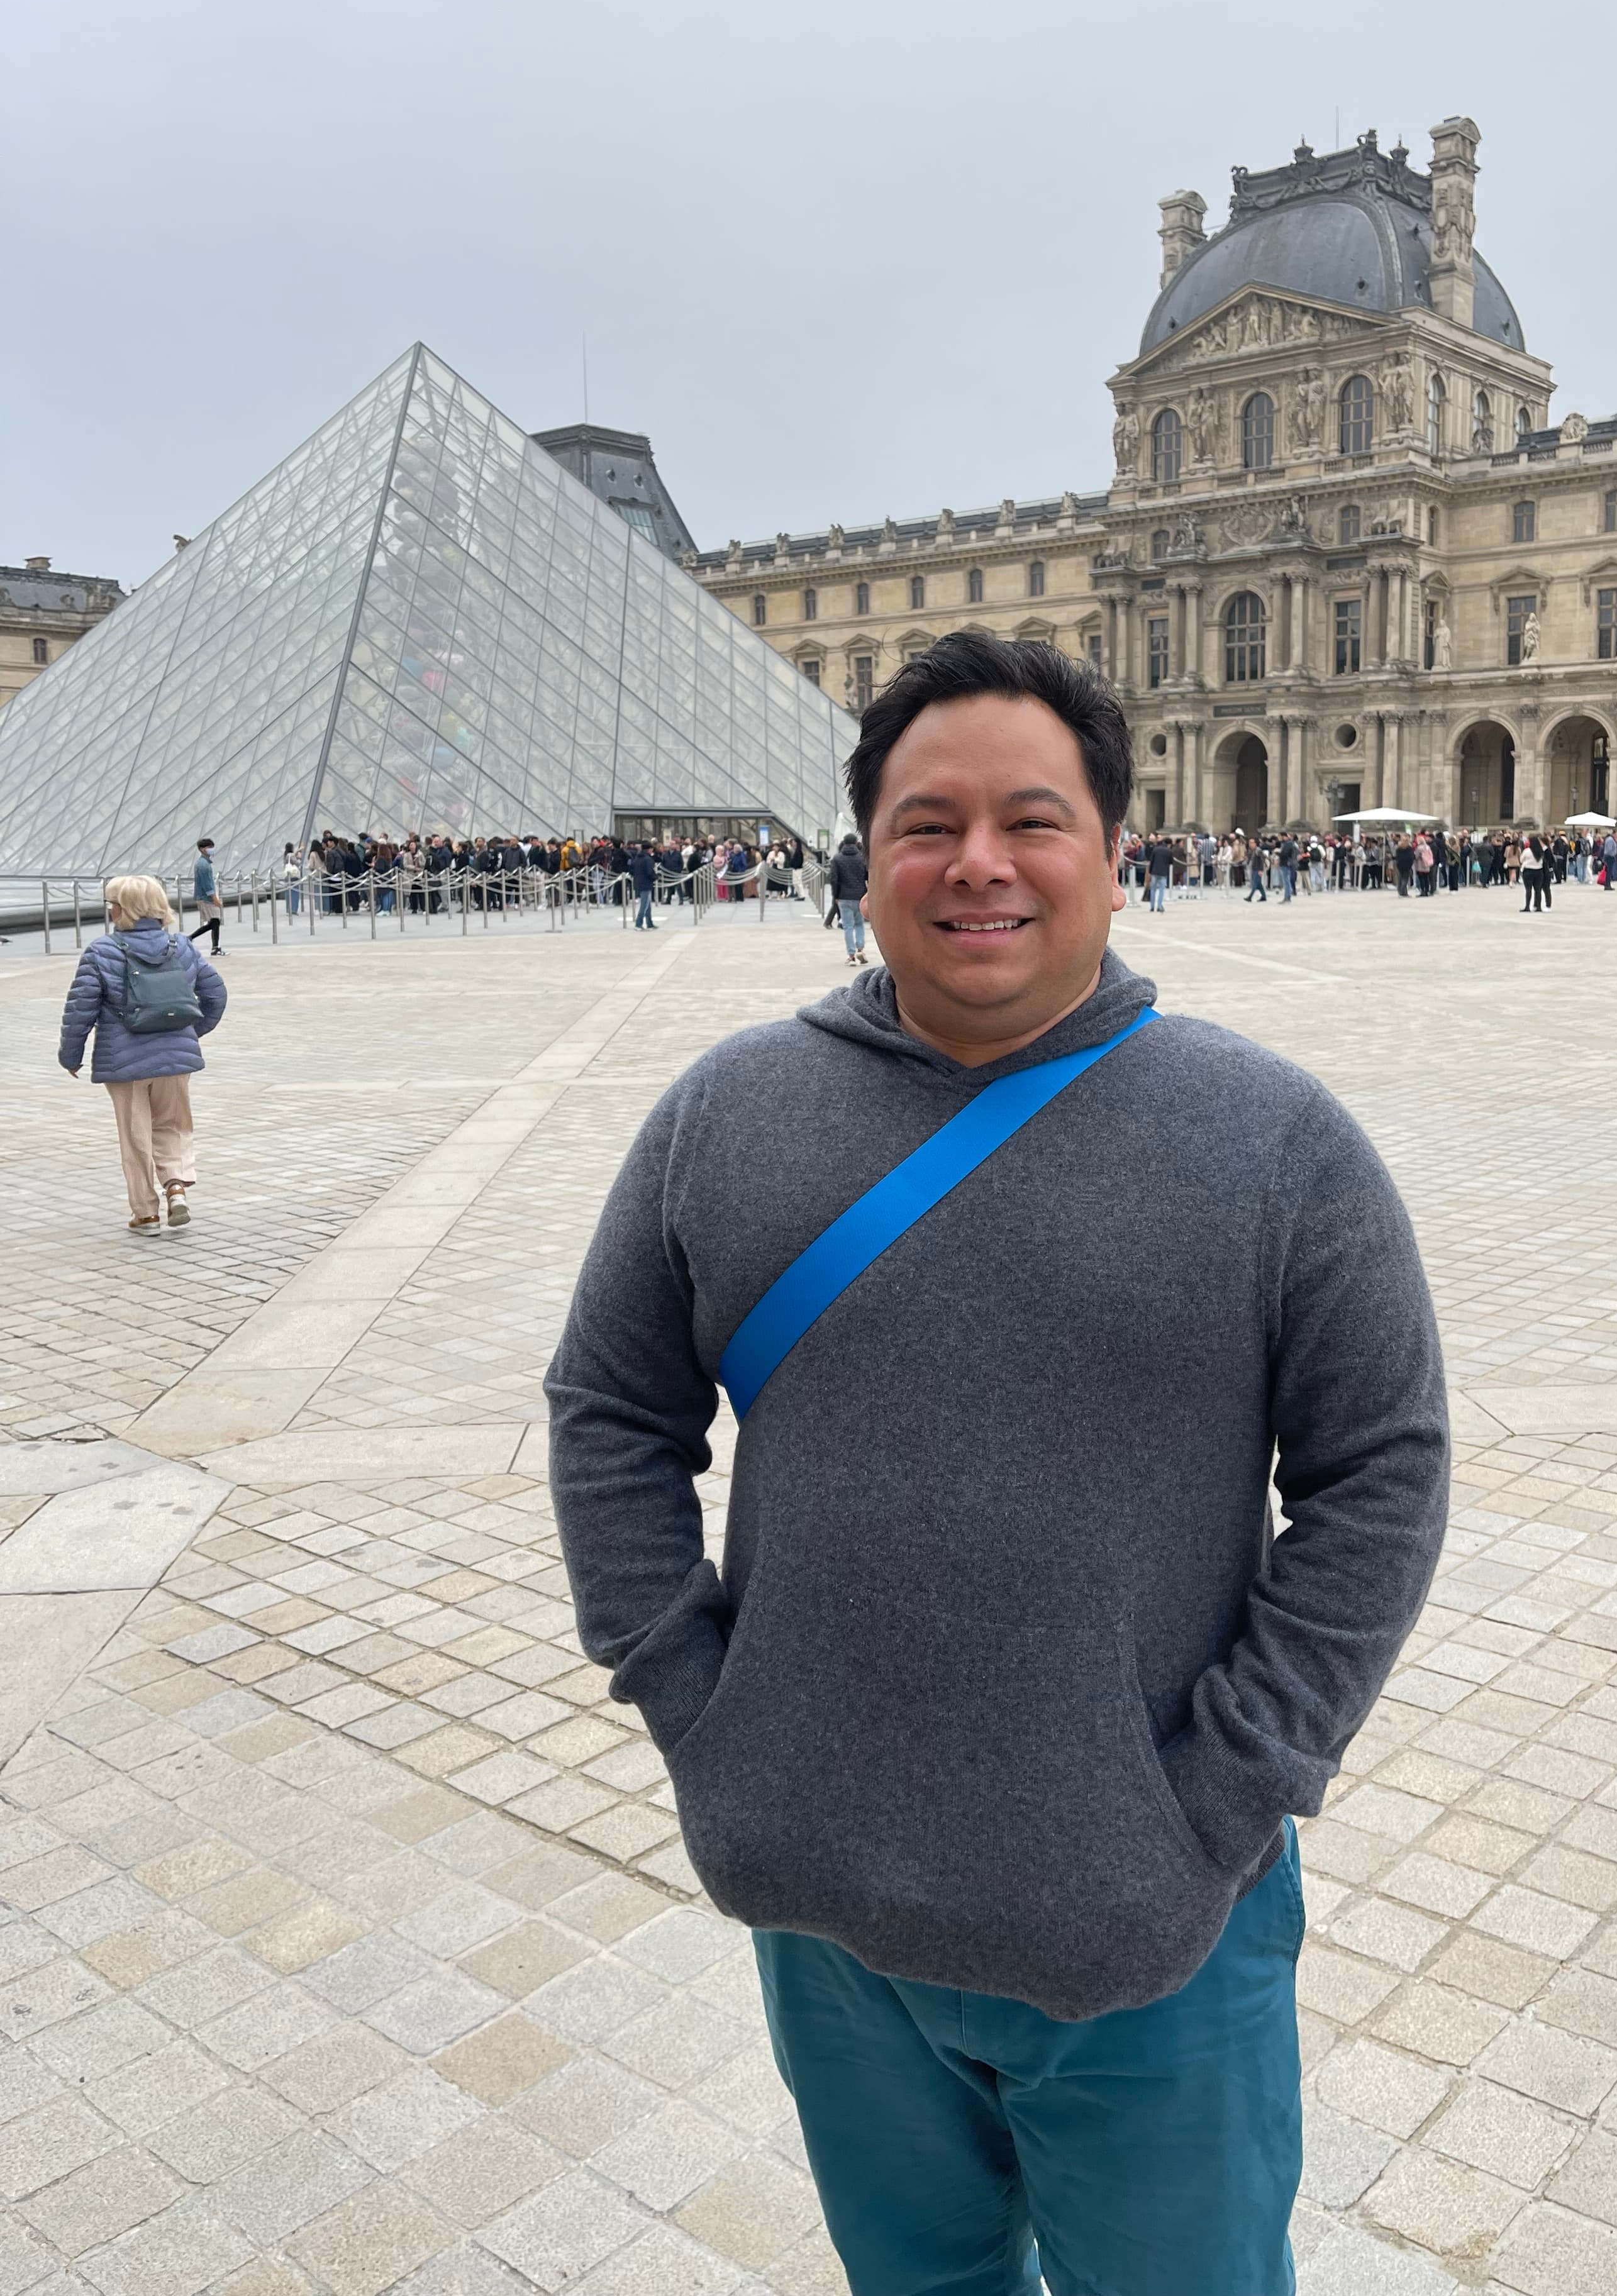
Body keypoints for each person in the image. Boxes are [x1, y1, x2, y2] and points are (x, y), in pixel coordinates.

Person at [547, 633, 1447, 2296]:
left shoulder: (1277, 1141)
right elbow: (607, 1412)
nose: (978, 863)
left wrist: (1223, 1796)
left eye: (1032, 819)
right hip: (825, 1914)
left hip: (1154, 1922)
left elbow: (1383, 1475)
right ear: (868, 857)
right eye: (925, 822)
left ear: (1116, 850)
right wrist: (694, 1701)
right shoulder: (721, 1114)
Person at [57, 875, 227, 1234]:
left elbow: (80, 1010)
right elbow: (216, 995)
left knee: (135, 1136)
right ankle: (177, 1186)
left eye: (112, 903)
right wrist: (189, 1033)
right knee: (173, 1123)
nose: (110, 910)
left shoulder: (102, 951)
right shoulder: (181, 946)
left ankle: (146, 1213)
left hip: (125, 1062)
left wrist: (71, 1056)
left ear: (125, 908)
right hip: (175, 1060)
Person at [829, 831, 870, 965]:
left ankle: (851, 955)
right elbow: (867, 877)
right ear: (856, 843)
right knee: (859, 924)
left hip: (844, 897)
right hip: (860, 895)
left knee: (848, 926)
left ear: (844, 843)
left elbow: (834, 879)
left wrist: (835, 896)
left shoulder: (837, 859)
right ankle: (860, 949)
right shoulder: (862, 858)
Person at [188, 838, 222, 952]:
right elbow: (207, 884)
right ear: (202, 849)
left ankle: (215, 947)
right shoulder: (203, 865)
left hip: (205, 897)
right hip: (206, 898)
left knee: (214, 922)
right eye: (209, 847)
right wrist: (214, 898)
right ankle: (191, 938)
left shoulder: (203, 863)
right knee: (215, 922)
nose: (212, 849)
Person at [628, 840, 657, 930]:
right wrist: (655, 877)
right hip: (646, 883)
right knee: (644, 905)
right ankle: (638, 923)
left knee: (647, 905)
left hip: (638, 882)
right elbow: (650, 872)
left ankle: (650, 923)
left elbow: (632, 869)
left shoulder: (637, 858)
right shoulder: (648, 859)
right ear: (649, 850)